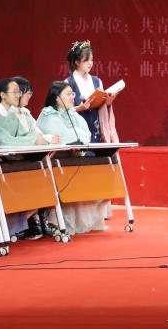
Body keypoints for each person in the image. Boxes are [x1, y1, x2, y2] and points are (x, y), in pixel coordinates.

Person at [0, 77, 58, 239]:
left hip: (14, 160)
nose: (18, 95)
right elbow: (4, 141)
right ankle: (2, 229)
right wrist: (35, 141)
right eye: (15, 92)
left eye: (19, 92)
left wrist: (42, 140)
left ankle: (33, 221)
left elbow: (27, 135)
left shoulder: (14, 113)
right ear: (3, 95)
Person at [37, 81, 106, 233]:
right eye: (68, 94)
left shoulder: (73, 113)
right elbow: (60, 136)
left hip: (73, 157)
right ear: (56, 97)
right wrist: (76, 136)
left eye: (72, 93)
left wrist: (77, 137)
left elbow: (86, 134)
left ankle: (83, 222)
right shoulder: (48, 114)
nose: (72, 97)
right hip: (55, 160)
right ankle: (58, 223)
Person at [67, 40, 120, 144]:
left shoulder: (97, 81)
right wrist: (80, 108)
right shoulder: (69, 83)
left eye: (91, 60)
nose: (90, 63)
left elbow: (102, 107)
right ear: (77, 62)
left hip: (97, 134)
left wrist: (108, 103)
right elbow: (63, 112)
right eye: (86, 60)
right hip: (78, 134)